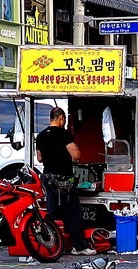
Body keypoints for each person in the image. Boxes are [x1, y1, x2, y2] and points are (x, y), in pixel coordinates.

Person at [36, 107, 96, 257]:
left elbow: (40, 158)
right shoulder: (64, 135)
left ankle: (51, 244)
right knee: (73, 213)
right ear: (61, 118)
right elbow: (76, 155)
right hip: (64, 180)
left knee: (52, 212)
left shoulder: (41, 135)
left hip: (49, 179)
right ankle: (79, 246)